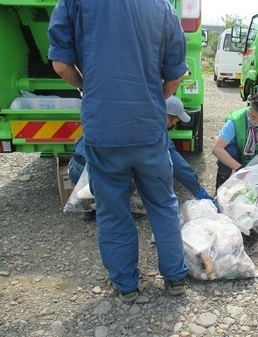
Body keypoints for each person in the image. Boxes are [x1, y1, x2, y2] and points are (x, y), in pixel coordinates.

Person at [48, 0, 189, 302]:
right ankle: (175, 279)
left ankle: (126, 287)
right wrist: (151, 97)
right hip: (148, 129)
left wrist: (89, 87)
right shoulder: (162, 7)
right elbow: (175, 76)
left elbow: (60, 64)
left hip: (104, 129)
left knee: (113, 212)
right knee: (163, 205)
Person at [68, 96, 214, 219]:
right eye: (175, 120)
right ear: (166, 116)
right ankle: (122, 208)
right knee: (139, 171)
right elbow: (178, 165)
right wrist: (198, 190)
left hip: (75, 167)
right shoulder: (153, 130)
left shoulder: (129, 115)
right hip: (91, 171)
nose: (175, 124)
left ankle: (88, 206)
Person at [212, 91, 258, 192]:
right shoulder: (235, 120)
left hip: (257, 159)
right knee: (230, 150)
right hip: (237, 158)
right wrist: (241, 170)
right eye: (252, 116)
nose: (255, 121)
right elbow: (217, 149)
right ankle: (220, 189)